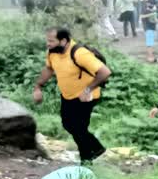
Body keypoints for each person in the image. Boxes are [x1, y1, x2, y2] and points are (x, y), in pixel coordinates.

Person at [33, 28, 111, 163]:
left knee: (78, 128)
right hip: (68, 95)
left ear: (63, 41)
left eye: (51, 41)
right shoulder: (53, 53)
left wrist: (88, 90)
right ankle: (95, 150)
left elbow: (105, 72)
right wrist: (38, 86)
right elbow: (49, 69)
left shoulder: (80, 53)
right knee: (69, 125)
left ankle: (87, 159)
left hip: (85, 96)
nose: (48, 44)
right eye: (47, 40)